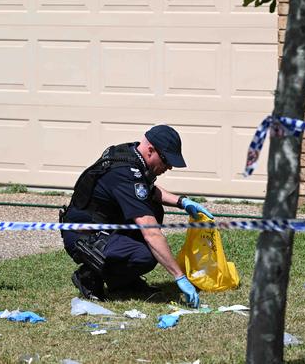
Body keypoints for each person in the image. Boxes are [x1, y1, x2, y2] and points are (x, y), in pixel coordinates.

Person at [59, 124, 214, 308]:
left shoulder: (131, 154)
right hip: (83, 236)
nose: (169, 167)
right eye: (166, 160)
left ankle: (124, 281)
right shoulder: (124, 172)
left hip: (101, 227)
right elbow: (152, 233)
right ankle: (89, 277)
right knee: (146, 254)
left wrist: (182, 202)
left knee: (154, 208)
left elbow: (147, 188)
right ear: (151, 150)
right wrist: (179, 277)